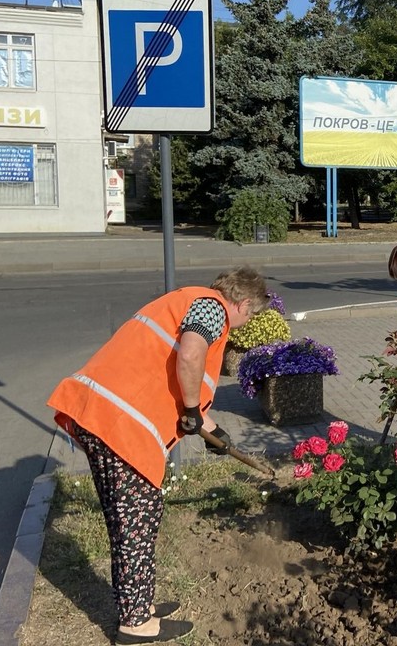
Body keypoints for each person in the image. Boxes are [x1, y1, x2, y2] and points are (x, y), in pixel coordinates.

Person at [46, 267, 269, 644]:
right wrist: (194, 410)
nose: (246, 324)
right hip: (118, 427)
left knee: (132, 520)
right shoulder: (212, 309)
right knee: (135, 523)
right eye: (250, 316)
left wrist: (212, 430)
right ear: (243, 303)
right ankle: (136, 624)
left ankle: (140, 606)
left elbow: (172, 377)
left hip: (102, 416)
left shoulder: (189, 301)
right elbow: (191, 355)